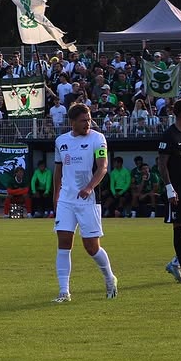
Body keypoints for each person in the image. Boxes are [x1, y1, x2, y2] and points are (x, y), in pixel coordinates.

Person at [52, 103, 117, 302]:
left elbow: (102, 167)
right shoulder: (61, 141)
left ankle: (109, 277)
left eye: (89, 119)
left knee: (91, 247)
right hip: (66, 199)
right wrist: (56, 196)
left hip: (88, 200)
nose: (87, 123)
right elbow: (58, 170)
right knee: (64, 243)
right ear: (72, 122)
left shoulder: (98, 139)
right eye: (83, 120)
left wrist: (89, 187)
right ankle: (64, 292)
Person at [160, 98, 181, 283]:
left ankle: (174, 263)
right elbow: (162, 164)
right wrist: (169, 189)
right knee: (179, 230)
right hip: (177, 192)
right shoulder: (169, 135)